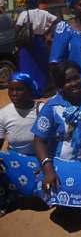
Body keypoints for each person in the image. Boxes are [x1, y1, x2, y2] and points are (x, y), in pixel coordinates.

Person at [31, 61, 81, 209]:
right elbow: (39, 141)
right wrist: (48, 169)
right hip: (63, 162)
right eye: (67, 81)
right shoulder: (51, 107)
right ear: (59, 86)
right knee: (65, 198)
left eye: (76, 78)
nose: (74, 83)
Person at [0, 73, 43, 216]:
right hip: (14, 160)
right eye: (11, 89)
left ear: (30, 90)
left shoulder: (42, 110)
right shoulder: (4, 114)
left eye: (19, 89)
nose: (13, 93)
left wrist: (46, 163)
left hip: (40, 160)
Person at [16, 8, 60, 93]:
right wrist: (47, 31)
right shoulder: (45, 13)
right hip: (40, 41)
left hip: (27, 43)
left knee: (27, 67)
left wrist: (18, 37)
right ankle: (41, 89)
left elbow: (17, 26)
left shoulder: (24, 13)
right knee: (41, 67)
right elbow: (57, 20)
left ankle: (29, 89)